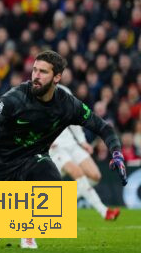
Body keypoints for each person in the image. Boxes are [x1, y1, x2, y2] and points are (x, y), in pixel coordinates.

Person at [0, 50, 127, 249]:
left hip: (32, 159)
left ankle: (27, 232)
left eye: (43, 72)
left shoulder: (67, 104)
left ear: (57, 77)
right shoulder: (16, 97)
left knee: (53, 187)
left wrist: (116, 152)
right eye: (35, 70)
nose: (36, 76)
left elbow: (103, 127)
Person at [50, 85, 121, 221]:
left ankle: (63, 201)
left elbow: (73, 118)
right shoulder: (37, 94)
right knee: (79, 174)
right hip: (55, 148)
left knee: (95, 175)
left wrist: (82, 141)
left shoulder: (64, 91)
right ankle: (104, 211)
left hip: (71, 143)